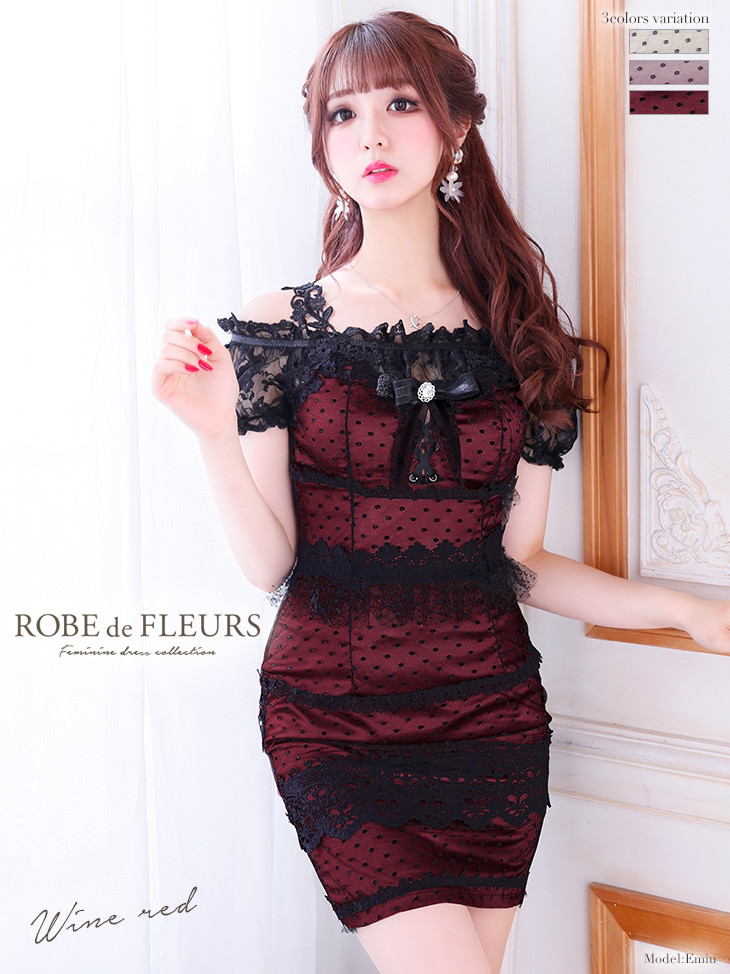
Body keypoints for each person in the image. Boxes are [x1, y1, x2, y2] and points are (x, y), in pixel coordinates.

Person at [151, 11, 730, 974]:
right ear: (320, 144)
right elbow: (270, 564)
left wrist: (686, 611)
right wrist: (215, 435)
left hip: (489, 717)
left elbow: (520, 563)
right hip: (330, 720)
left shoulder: (521, 335)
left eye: (400, 103)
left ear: (455, 126)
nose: (369, 134)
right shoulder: (279, 329)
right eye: (342, 114)